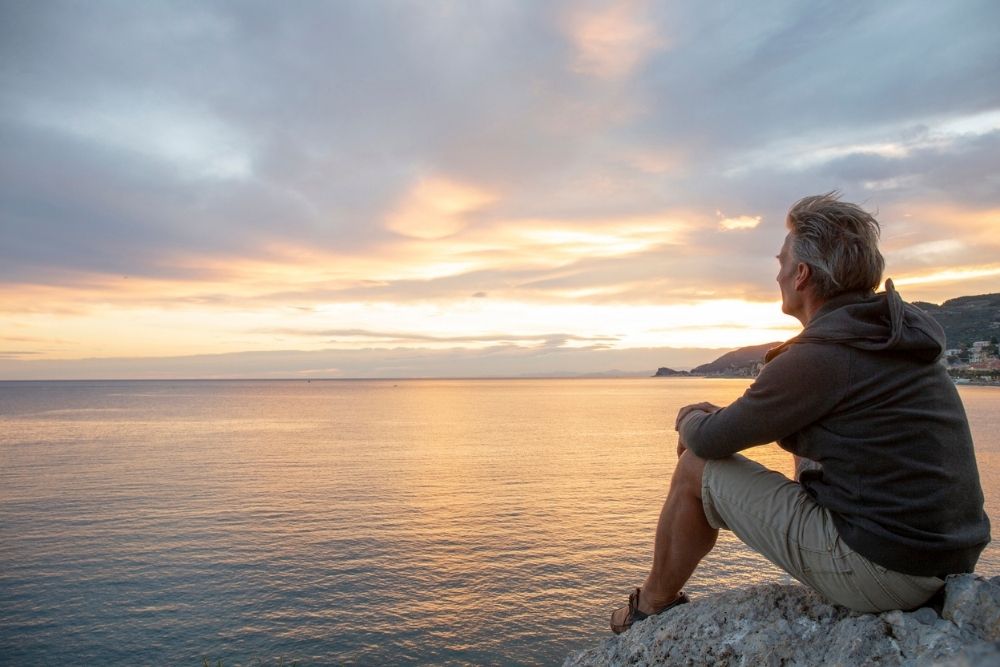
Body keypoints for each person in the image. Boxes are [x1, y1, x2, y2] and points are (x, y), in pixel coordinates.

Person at [611, 192, 991, 634]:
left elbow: (708, 442)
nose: (777, 275)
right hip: (948, 556)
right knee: (799, 453)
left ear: (802, 274)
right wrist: (728, 417)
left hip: (887, 573)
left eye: (781, 262)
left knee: (697, 466)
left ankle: (650, 608)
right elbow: (796, 414)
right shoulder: (888, 334)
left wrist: (690, 417)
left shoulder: (824, 355)